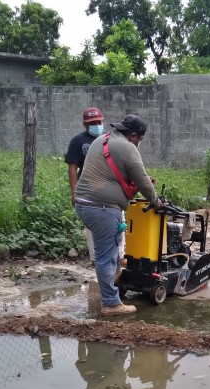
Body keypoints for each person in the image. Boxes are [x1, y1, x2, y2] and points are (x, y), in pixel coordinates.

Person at [73, 114, 157, 317]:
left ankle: (114, 285)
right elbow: (144, 181)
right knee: (107, 257)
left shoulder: (101, 140)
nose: (139, 144)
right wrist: (157, 201)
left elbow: (112, 176)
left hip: (85, 204)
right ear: (134, 135)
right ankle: (110, 303)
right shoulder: (128, 148)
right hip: (101, 208)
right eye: (141, 140)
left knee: (110, 252)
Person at [65, 107, 105, 262]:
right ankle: (96, 258)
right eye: (92, 123)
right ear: (85, 125)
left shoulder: (109, 138)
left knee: (116, 223)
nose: (96, 125)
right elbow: (73, 167)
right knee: (93, 225)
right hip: (87, 189)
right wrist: (74, 192)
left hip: (109, 188)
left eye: (98, 122)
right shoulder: (78, 141)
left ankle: (118, 256)